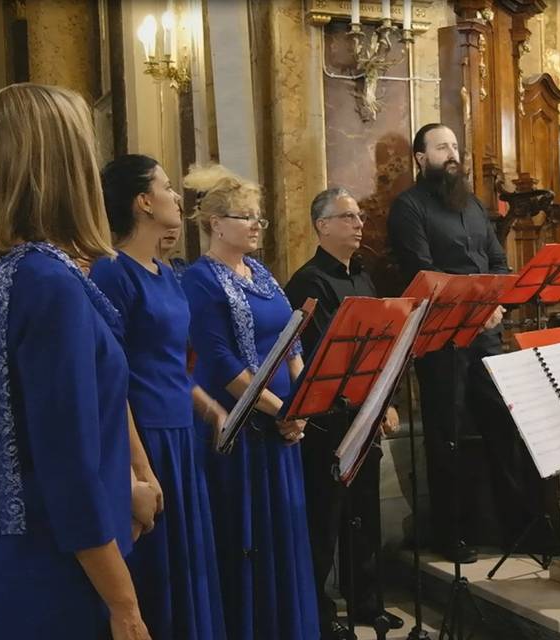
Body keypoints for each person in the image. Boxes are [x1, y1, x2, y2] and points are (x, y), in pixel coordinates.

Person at [0, 83, 151, 639]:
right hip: (62, 572)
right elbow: (67, 464)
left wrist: (134, 475)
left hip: (0, 563)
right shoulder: (50, 281)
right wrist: (125, 605)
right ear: (66, 164)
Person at [388, 123, 541, 562]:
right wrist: (478, 307)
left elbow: (497, 261)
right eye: (441, 147)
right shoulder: (408, 207)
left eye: (455, 145)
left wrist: (495, 306)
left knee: (503, 423)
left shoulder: (472, 204)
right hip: (440, 339)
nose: (452, 153)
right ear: (421, 158)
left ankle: (518, 527)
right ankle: (449, 532)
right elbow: (423, 271)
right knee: (447, 433)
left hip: (486, 333)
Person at [91, 154, 227, 639]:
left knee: (190, 565)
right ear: (143, 202)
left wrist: (208, 407)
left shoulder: (167, 273)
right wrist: (134, 466)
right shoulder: (112, 273)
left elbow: (172, 362)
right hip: (143, 437)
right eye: (166, 187)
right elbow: (111, 374)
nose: (176, 195)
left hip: (181, 433)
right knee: (158, 572)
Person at [180, 164, 319, 639]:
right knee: (246, 535)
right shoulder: (200, 279)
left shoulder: (260, 271)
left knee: (284, 535)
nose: (258, 224)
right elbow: (220, 362)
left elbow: (292, 340)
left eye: (259, 217)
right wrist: (281, 411)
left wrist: (301, 405)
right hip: (239, 429)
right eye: (247, 216)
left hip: (282, 426)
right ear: (216, 223)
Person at [285, 188, 404, 638]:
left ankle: (366, 601)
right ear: (322, 225)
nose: (358, 224)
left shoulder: (364, 279)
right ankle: (319, 612)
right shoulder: (308, 281)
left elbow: (380, 349)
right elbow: (318, 357)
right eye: (348, 216)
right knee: (326, 516)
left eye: (359, 216)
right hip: (327, 419)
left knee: (363, 512)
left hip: (367, 413)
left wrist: (386, 402)